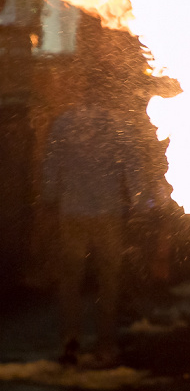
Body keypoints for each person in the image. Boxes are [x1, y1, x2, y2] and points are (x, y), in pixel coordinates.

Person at [41, 70, 143, 367]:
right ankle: (105, 344)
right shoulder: (117, 125)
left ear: (82, 93)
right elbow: (133, 168)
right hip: (108, 213)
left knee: (70, 279)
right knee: (108, 280)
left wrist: (49, 199)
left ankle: (70, 340)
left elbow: (51, 164)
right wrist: (138, 203)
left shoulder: (64, 123)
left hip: (71, 212)